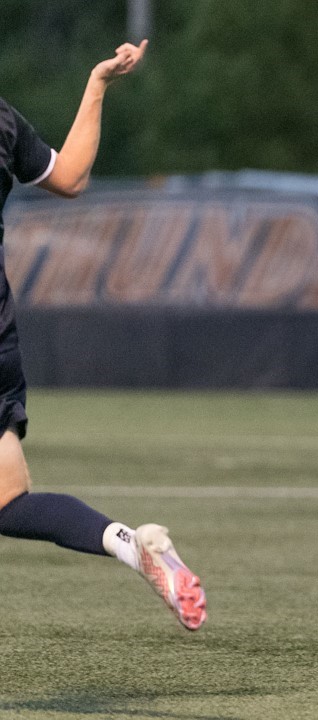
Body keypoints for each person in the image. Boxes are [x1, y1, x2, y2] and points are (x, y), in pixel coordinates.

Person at [0, 41, 206, 631]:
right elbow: (69, 176)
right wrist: (97, 85)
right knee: (9, 501)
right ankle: (129, 543)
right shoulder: (3, 119)